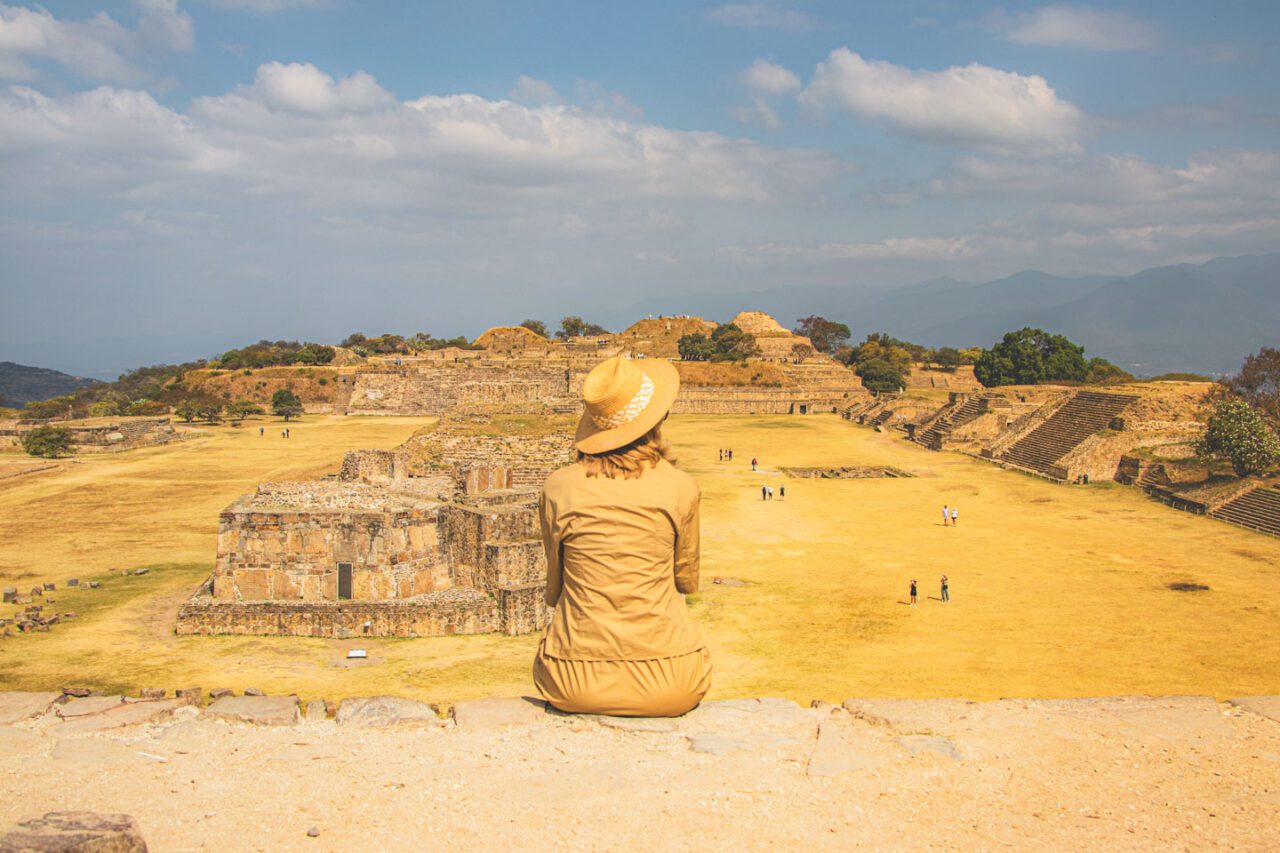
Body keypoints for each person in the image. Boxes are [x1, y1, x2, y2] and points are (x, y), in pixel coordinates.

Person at [533, 355, 711, 717]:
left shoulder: (558, 487)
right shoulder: (680, 487)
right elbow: (686, 581)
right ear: (658, 419)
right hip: (672, 680)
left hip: (573, 679)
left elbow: (555, 589)